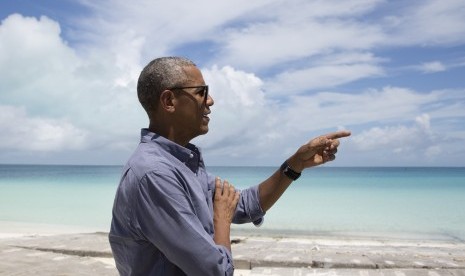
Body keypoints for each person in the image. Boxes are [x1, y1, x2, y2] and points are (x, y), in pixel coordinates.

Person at [109, 56, 351, 276]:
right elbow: (214, 271)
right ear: (169, 101)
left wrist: (295, 164)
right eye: (201, 92)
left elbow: (242, 204)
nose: (210, 101)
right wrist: (222, 222)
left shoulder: (180, 163)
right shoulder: (155, 174)